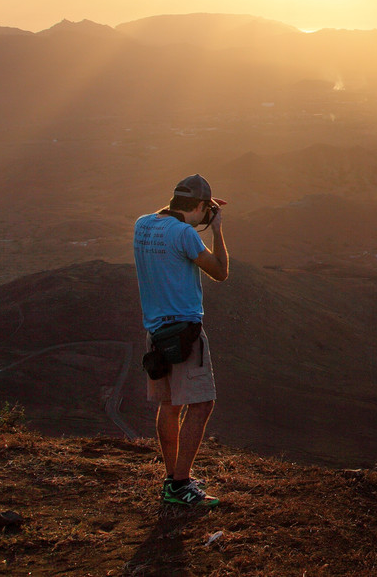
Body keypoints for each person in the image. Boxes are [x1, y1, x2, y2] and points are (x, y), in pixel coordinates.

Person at [133, 174, 229, 507]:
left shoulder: (142, 225)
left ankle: (172, 478)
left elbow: (169, 215)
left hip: (156, 333)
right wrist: (216, 228)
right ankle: (181, 484)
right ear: (202, 207)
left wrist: (195, 210)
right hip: (185, 332)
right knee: (202, 404)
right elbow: (219, 271)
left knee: (169, 404)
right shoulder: (185, 234)